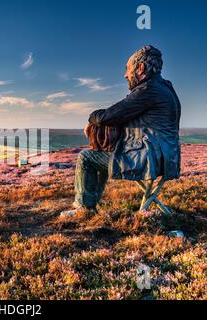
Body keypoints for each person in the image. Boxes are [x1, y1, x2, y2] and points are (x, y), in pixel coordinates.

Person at [60, 45, 181, 218]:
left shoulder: (147, 90)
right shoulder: (166, 89)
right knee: (101, 154)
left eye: (128, 69)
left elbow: (107, 116)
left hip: (148, 161)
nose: (125, 75)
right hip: (168, 160)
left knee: (86, 157)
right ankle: (89, 205)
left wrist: (91, 118)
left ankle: (84, 208)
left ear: (140, 68)